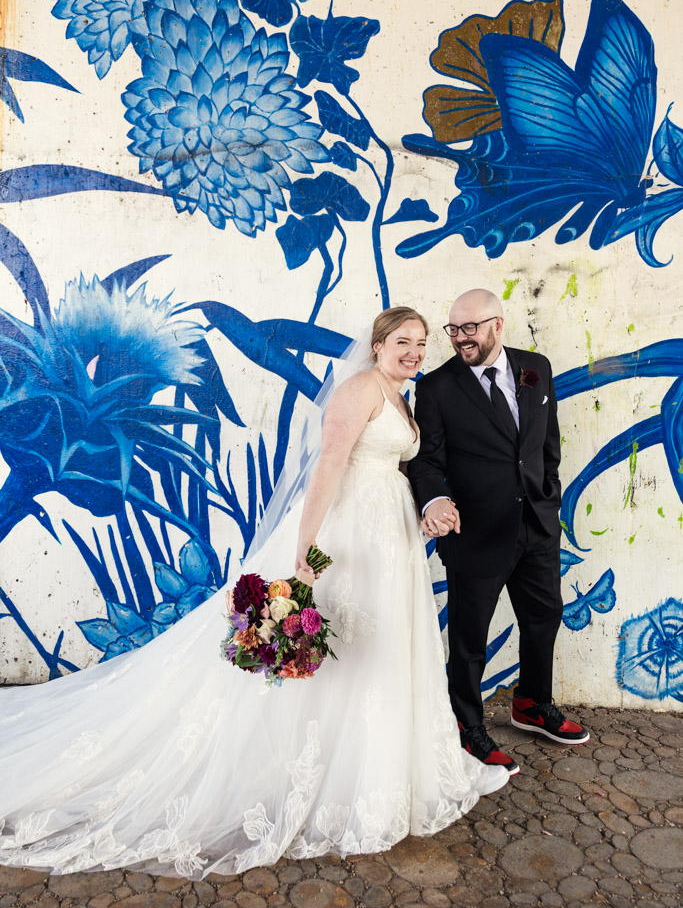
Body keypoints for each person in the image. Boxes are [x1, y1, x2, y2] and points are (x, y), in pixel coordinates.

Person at [0, 307, 508, 879]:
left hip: (388, 538)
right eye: (402, 342)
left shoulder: (398, 394)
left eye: (421, 342)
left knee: (379, 653)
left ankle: (379, 768)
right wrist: (304, 553)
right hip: (348, 538)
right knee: (341, 653)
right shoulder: (360, 389)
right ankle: (329, 775)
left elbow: (389, 470)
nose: (414, 351)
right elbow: (329, 470)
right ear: (379, 344)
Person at [408, 290, 589, 777]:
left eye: (471, 328)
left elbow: (545, 441)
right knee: (470, 640)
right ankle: (467, 726)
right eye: (453, 329)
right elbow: (426, 461)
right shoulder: (437, 387)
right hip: (476, 533)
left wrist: (548, 495)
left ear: (498, 325)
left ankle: (531, 703)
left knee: (544, 617)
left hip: (537, 524)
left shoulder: (536, 367)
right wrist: (435, 499)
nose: (461, 338)